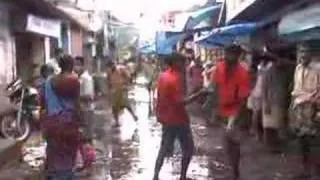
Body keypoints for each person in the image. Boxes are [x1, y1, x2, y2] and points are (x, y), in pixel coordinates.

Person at [153, 53, 204, 180]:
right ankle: (182, 176)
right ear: (176, 63)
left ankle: (155, 175)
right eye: (183, 62)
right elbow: (181, 101)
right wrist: (199, 94)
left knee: (164, 148)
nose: (185, 65)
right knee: (188, 148)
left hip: (166, 118)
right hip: (178, 118)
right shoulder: (175, 79)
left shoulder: (163, 76)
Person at [211, 44, 250, 180]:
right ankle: (233, 169)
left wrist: (234, 119)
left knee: (234, 142)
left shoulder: (242, 72)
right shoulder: (219, 67)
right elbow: (215, 88)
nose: (228, 57)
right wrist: (214, 110)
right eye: (227, 54)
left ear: (237, 56)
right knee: (226, 143)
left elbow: (243, 99)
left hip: (236, 111)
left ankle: (235, 170)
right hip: (222, 110)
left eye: (231, 55)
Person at [40, 55, 81, 180]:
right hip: (67, 124)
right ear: (71, 65)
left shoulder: (47, 82)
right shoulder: (73, 80)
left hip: (51, 123)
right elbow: (77, 104)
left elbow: (43, 105)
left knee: (54, 154)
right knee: (68, 158)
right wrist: (82, 126)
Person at [290, 42, 320, 179]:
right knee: (301, 140)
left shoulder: (318, 69)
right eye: (301, 52)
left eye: (305, 52)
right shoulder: (298, 68)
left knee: (314, 142)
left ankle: (315, 173)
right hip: (299, 109)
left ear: (311, 54)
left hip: (312, 108)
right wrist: (291, 108)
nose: (302, 54)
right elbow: (295, 91)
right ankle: (305, 170)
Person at [107, 61, 138, 127]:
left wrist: (126, 85)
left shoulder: (121, 69)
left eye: (113, 65)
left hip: (122, 90)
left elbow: (128, 77)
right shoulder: (109, 72)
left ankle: (134, 115)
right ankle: (117, 121)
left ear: (115, 65)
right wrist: (109, 89)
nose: (112, 67)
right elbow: (108, 81)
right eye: (110, 66)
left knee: (126, 104)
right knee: (114, 107)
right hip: (114, 91)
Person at [74, 56, 95, 143]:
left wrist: (74, 96)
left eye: (78, 65)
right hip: (80, 109)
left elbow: (89, 96)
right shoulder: (77, 78)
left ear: (83, 66)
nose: (76, 67)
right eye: (75, 65)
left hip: (86, 109)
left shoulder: (86, 78)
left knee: (87, 136)